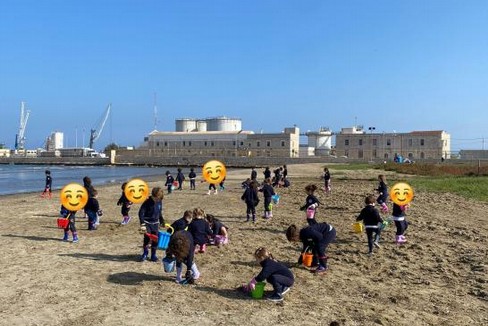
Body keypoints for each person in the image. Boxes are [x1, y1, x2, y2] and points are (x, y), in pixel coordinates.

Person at [138, 187, 165, 262]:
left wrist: (162, 220)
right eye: (157, 198)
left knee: (155, 239)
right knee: (147, 238)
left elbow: (159, 212)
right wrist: (142, 223)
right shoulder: (147, 201)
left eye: (159, 199)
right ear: (153, 196)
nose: (158, 200)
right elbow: (141, 213)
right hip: (147, 222)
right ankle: (145, 254)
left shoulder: (159, 201)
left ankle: (153, 255)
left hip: (155, 223)